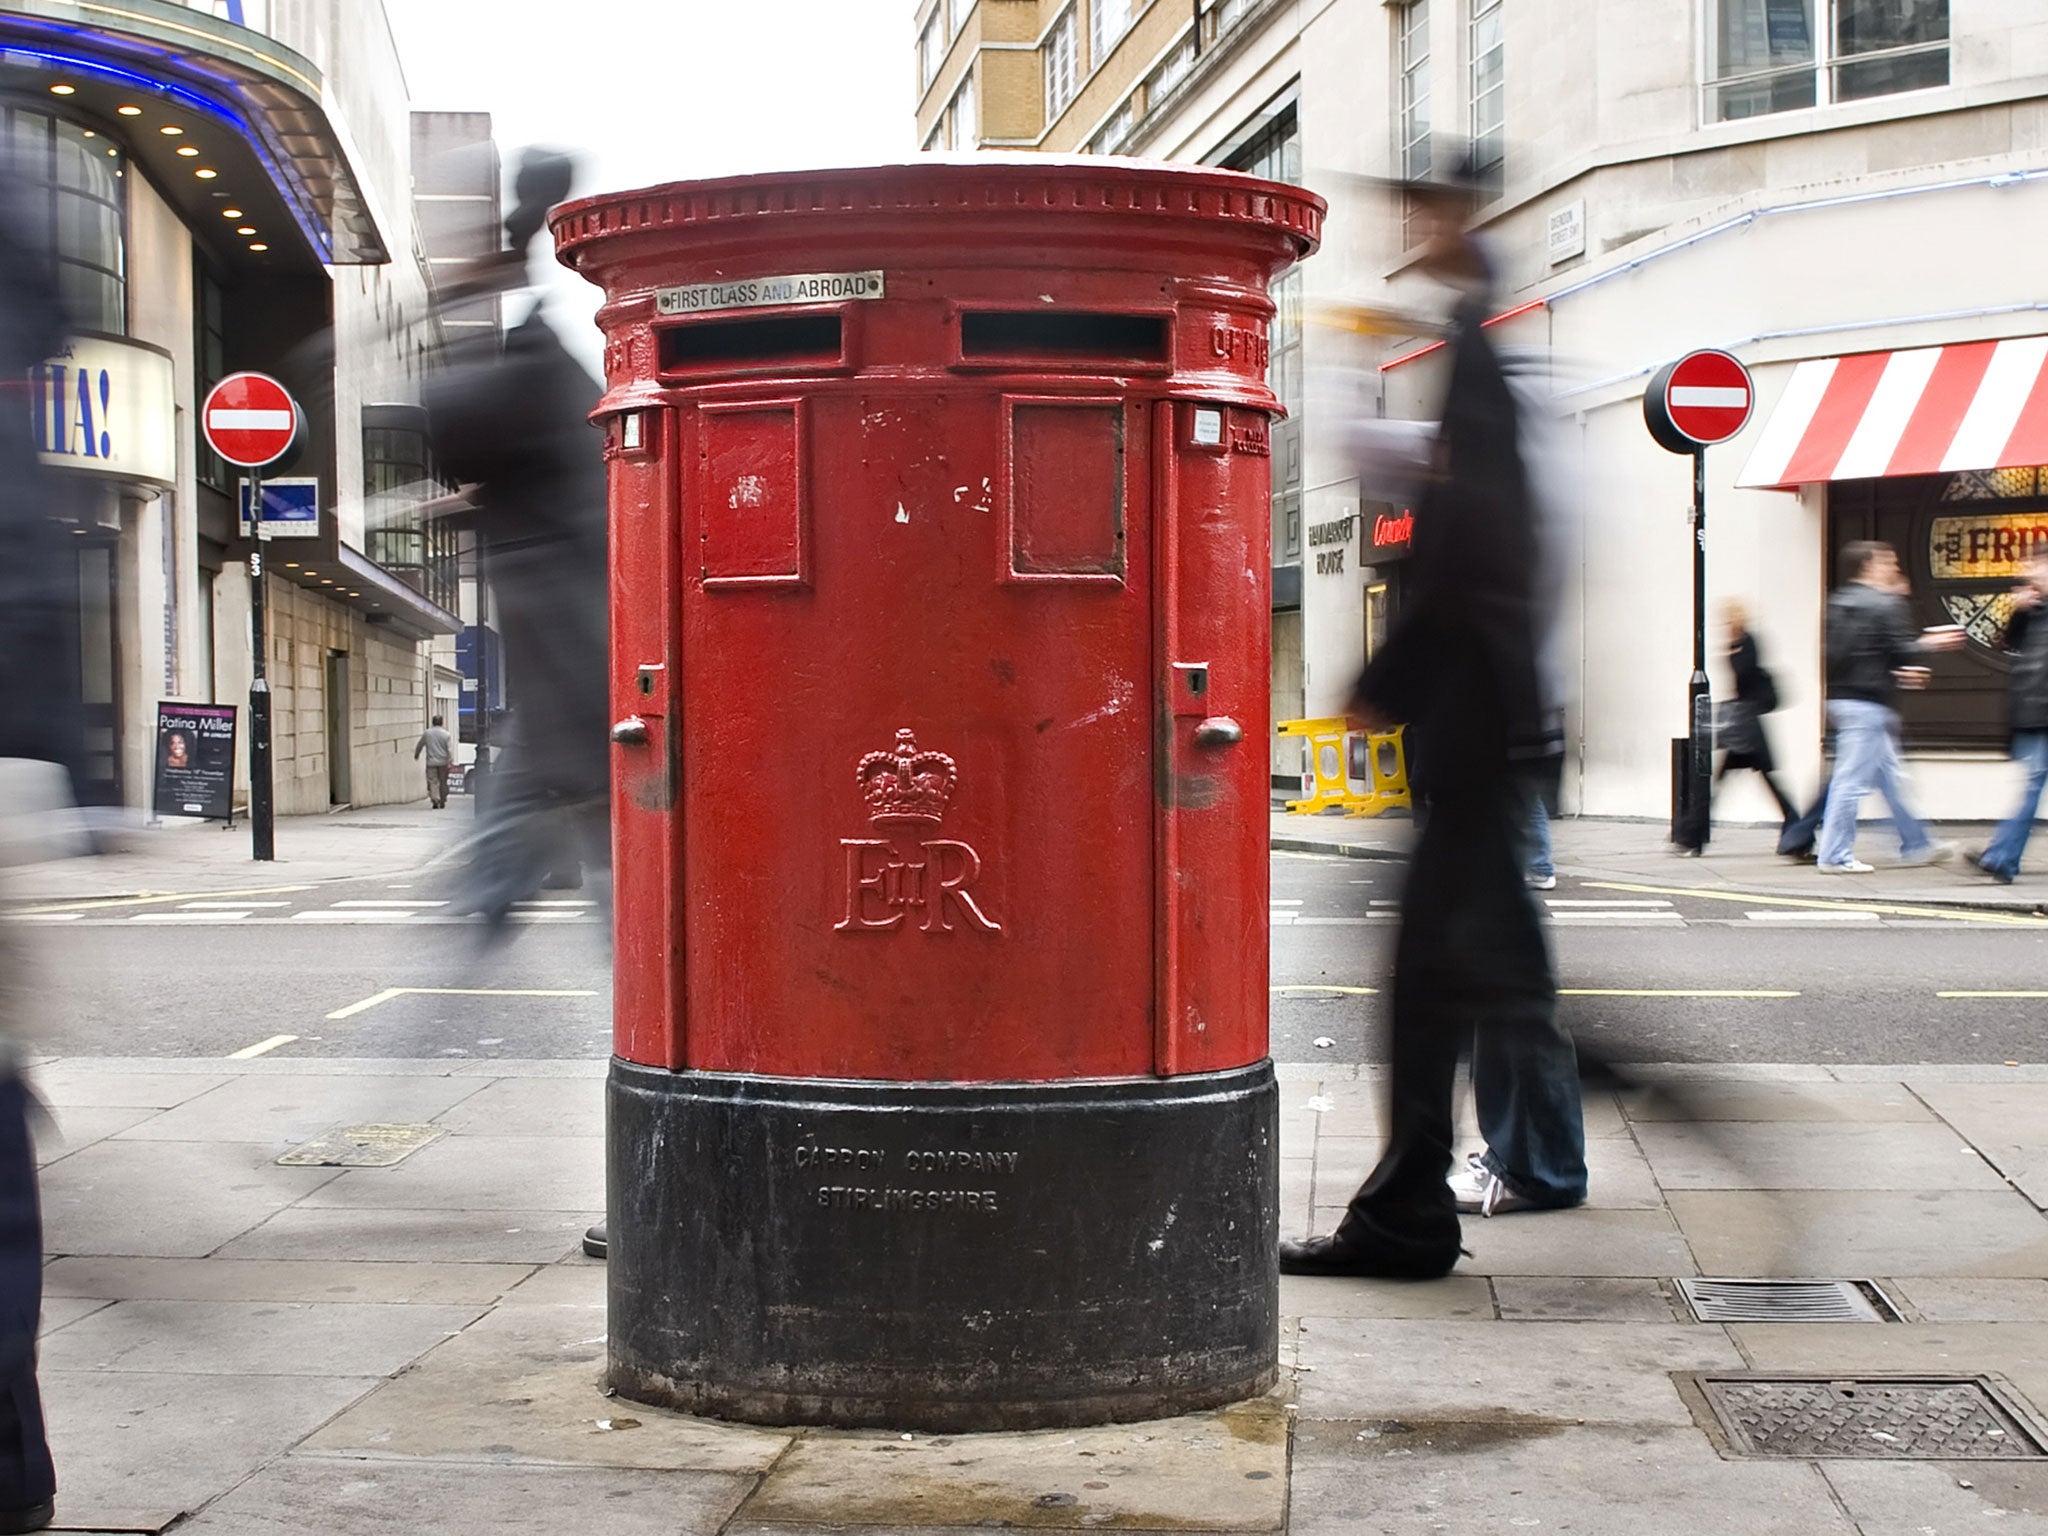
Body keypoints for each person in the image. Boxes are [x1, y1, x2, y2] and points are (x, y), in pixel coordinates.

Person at [1280, 152, 1574, 1277]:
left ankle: (1411, 1215)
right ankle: (1427, 1201)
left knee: (1443, 979)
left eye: (1415, 203)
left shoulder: (1477, 347)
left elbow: (1479, 552)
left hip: (1473, 723)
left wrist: (1383, 680)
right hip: (1485, 723)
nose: (1402, 219)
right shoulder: (1469, 336)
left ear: (1452, 213)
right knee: (1464, 974)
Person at [1815, 541, 1962, 874]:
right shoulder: (1884, 604)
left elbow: (1836, 656)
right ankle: (1835, 855)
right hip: (1870, 705)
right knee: (1850, 782)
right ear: (1868, 565)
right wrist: (1931, 642)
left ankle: (1917, 844)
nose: (1893, 568)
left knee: (1891, 778)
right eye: (1888, 562)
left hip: (1842, 700)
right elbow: (1902, 651)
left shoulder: (1837, 604)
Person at [1970, 553, 2048, 884]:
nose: (2034, 576)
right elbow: (2007, 645)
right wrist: (2019, 612)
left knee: (2031, 786)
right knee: (2031, 786)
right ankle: (2000, 856)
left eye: (2040, 570)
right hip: (2034, 713)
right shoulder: (2034, 612)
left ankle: (2001, 857)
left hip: (2040, 712)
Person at [1715, 599, 1796, 826]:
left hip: (1748, 725)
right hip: (1742, 724)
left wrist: (1734, 650)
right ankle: (1692, 836)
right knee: (1719, 784)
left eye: (1728, 619)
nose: (1724, 625)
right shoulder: (1736, 644)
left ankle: (1797, 829)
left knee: (1768, 780)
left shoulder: (1747, 641)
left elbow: (1745, 674)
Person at [414, 715, 454, 810]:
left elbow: (420, 744)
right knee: (443, 781)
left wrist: (417, 754)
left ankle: (435, 799)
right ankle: (443, 799)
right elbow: (449, 749)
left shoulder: (427, 733)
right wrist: (450, 760)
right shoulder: (446, 734)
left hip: (431, 762)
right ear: (442, 722)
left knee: (433, 781)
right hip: (443, 762)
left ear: (432, 722)